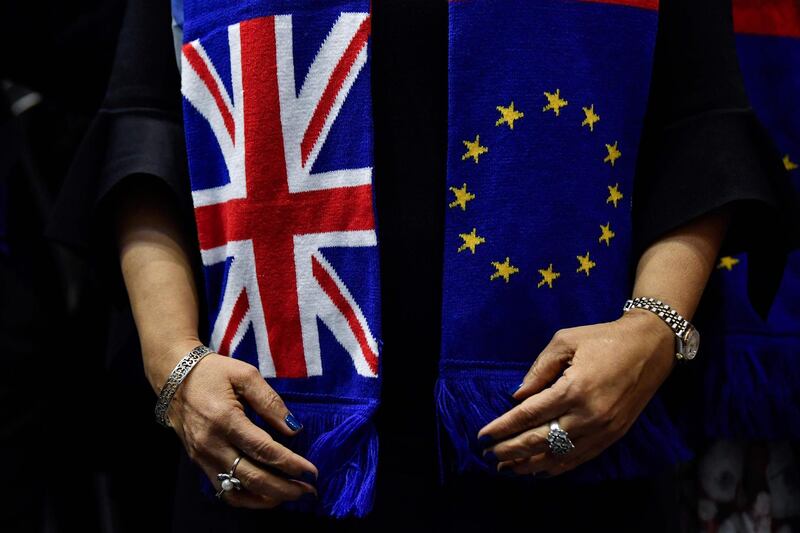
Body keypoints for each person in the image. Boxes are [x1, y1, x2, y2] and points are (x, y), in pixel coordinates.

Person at [48, 0, 798, 531]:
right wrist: (174, 364)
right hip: (274, 457)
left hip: (569, 448)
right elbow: (144, 127)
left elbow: (698, 124)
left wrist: (653, 332)